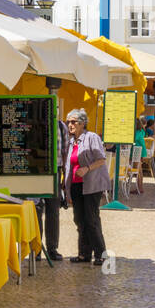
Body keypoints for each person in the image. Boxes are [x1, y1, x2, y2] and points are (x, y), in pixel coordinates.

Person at [64, 109, 109, 265]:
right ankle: (84, 254)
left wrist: (87, 168)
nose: (70, 124)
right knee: (79, 220)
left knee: (91, 220)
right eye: (68, 122)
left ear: (83, 123)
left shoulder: (91, 138)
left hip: (91, 185)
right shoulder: (71, 142)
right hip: (77, 186)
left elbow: (101, 159)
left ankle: (101, 254)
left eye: (73, 121)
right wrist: (67, 188)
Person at [41, 115, 70, 260]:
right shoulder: (34, 125)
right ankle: (35, 249)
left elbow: (65, 151)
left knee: (53, 211)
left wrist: (65, 175)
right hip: (36, 171)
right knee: (35, 210)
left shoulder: (60, 126)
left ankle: (52, 248)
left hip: (55, 171)